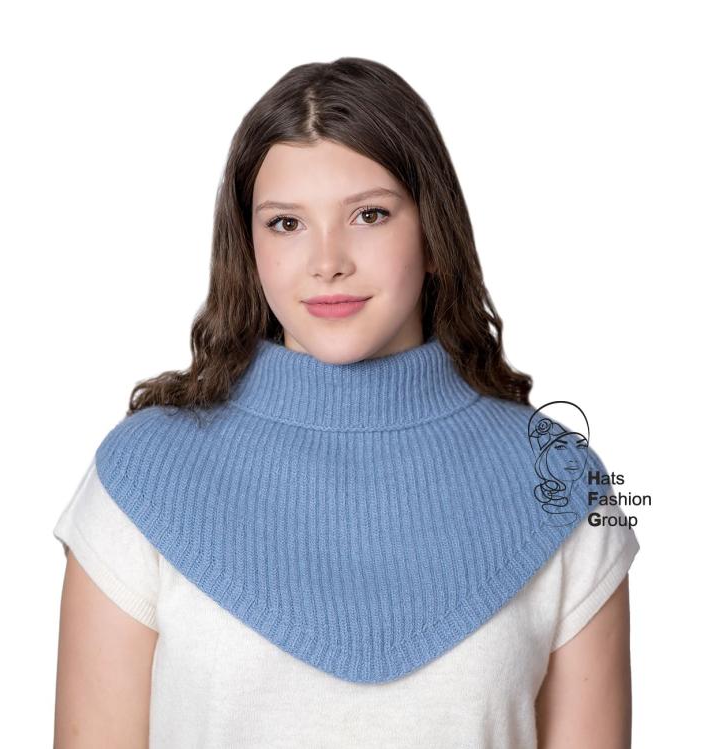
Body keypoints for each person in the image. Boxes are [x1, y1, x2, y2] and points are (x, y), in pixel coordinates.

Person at [53, 57, 640, 748]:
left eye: (369, 214)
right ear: (248, 246)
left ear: (433, 235)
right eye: (286, 223)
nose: (328, 261)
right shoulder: (142, 477)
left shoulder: (561, 485)